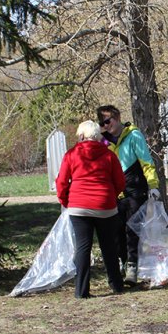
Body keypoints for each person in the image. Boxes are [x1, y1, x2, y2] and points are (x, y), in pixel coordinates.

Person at [56, 120, 126, 299]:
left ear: (81, 136)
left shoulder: (72, 154)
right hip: (105, 206)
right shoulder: (109, 155)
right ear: (97, 137)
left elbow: (62, 182)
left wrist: (65, 200)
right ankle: (117, 285)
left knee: (83, 248)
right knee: (109, 246)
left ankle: (81, 290)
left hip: (79, 206)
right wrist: (110, 195)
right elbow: (120, 182)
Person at [96, 105, 160, 284]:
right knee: (116, 230)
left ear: (117, 117)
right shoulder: (104, 142)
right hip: (114, 192)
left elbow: (146, 162)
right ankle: (123, 262)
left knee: (132, 229)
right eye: (102, 123)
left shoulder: (133, 136)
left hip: (134, 190)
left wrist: (153, 185)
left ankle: (132, 266)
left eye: (108, 121)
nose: (106, 125)